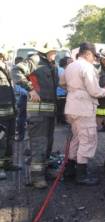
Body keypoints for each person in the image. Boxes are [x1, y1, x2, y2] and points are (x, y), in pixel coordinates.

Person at [12, 42, 59, 188]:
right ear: (45, 51)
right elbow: (16, 71)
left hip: (49, 112)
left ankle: (44, 171)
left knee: (48, 144)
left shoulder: (51, 64)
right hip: (38, 112)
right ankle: (36, 177)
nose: (55, 54)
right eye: (53, 51)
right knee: (39, 144)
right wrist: (30, 89)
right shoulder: (34, 60)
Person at [63, 42, 105, 185]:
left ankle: (70, 170)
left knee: (76, 138)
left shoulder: (70, 66)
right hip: (84, 108)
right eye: (93, 56)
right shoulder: (87, 67)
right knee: (87, 139)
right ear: (88, 53)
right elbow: (94, 91)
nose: (94, 59)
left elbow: (62, 83)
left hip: (71, 106)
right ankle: (81, 175)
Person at [0, 49, 16, 180]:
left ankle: (7, 163)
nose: (3, 59)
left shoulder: (5, 70)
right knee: (1, 139)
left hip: (10, 110)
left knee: (9, 138)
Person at [13, 57, 28, 141]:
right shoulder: (17, 73)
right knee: (22, 117)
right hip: (23, 98)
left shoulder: (17, 72)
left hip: (23, 97)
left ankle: (22, 135)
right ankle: (21, 136)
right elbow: (19, 89)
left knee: (22, 117)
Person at [56, 56, 73, 124]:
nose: (72, 62)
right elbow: (60, 83)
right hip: (62, 92)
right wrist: (67, 89)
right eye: (70, 61)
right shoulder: (63, 70)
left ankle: (59, 121)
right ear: (66, 62)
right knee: (63, 108)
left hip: (58, 93)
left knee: (60, 108)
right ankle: (63, 121)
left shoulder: (59, 69)